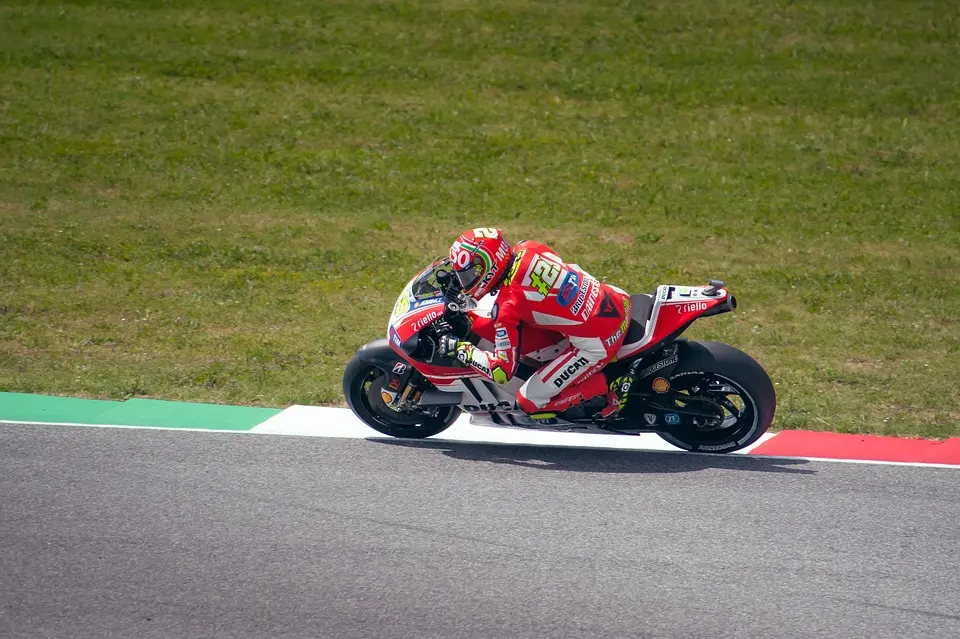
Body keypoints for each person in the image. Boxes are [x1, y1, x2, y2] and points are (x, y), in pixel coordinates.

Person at [438, 227, 633, 421]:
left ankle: (612, 382)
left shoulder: (508, 305)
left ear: (490, 264)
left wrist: (461, 349)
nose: (466, 281)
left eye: (471, 273)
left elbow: (501, 371)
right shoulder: (529, 247)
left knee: (529, 401)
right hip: (616, 299)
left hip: (599, 340)